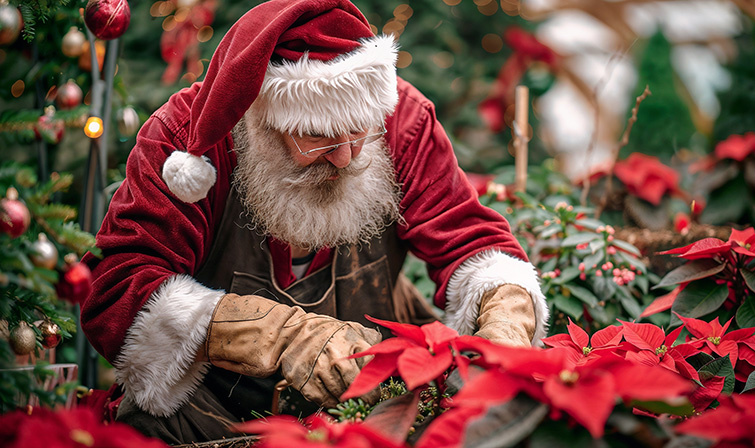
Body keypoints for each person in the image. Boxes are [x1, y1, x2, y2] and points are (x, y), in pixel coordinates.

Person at [80, 0, 548, 444]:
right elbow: (118, 291)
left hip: (365, 419)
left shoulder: (401, 120)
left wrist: (502, 333)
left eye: (359, 132)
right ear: (261, 119)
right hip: (202, 423)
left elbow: (473, 243)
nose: (345, 158)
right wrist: (281, 336)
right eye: (317, 138)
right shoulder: (186, 142)